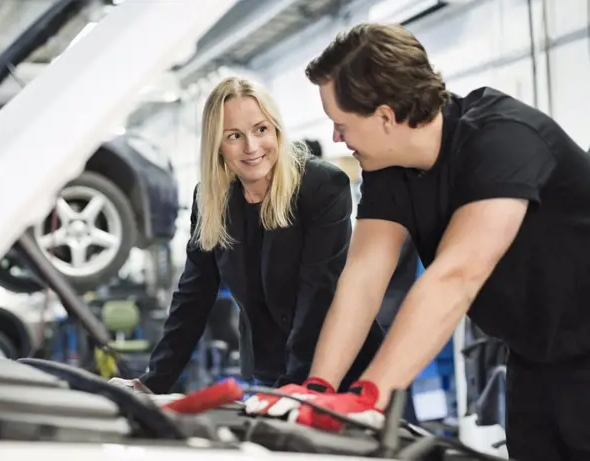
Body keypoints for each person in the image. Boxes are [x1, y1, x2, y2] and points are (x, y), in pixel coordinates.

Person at [247, 23, 590, 460]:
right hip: (534, 357)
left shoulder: (503, 139)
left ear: (385, 116)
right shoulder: (389, 168)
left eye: (341, 124)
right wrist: (318, 389)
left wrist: (370, 397)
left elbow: (457, 276)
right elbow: (362, 279)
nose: (336, 137)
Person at [131, 76, 385, 394]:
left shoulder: (321, 186)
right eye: (234, 136)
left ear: (276, 130)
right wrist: (152, 382)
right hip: (269, 369)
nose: (251, 147)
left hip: (342, 368)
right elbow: (194, 296)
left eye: (260, 130)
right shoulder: (211, 199)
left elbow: (317, 292)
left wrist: (297, 386)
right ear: (217, 146)